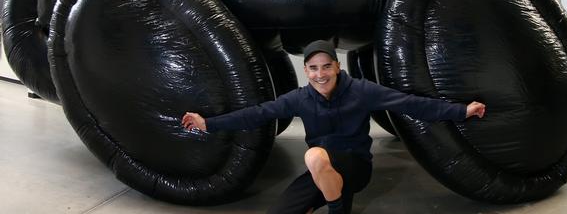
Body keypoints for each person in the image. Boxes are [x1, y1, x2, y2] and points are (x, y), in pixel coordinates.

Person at [182, 40, 486, 214]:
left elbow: (410, 103)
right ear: (306, 71)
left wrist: (462, 110)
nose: (320, 74)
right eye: (313, 68)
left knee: (315, 155)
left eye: (327, 66)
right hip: (321, 172)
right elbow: (256, 114)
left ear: (337, 66)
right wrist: (208, 123)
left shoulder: (361, 90)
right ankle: (332, 200)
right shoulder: (300, 98)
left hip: (355, 166)